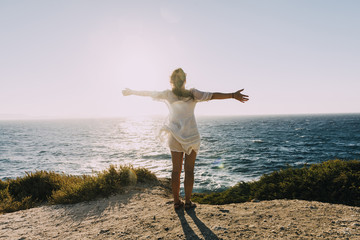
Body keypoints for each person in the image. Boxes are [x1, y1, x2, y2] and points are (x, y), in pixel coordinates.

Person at [122, 68, 249, 210]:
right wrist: (232, 95)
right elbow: (212, 96)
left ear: (171, 81)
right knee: (189, 171)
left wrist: (132, 91)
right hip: (192, 137)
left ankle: (176, 202)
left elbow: (148, 93)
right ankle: (188, 202)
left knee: (176, 171)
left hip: (175, 136)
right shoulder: (193, 94)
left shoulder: (168, 94)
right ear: (185, 80)